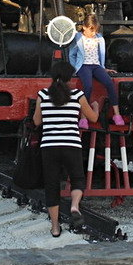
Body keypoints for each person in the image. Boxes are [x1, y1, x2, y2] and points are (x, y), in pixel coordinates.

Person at [32, 60, 99, 237]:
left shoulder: (43, 95)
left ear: (53, 77)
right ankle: (74, 206)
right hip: (71, 144)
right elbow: (92, 118)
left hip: (49, 146)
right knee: (77, 179)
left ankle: (55, 228)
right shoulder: (78, 95)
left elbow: (37, 122)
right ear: (70, 78)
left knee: (51, 185)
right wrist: (96, 107)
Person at [67, 14, 125, 129]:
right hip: (83, 66)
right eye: (91, 30)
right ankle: (83, 116)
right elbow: (71, 54)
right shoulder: (78, 37)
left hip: (96, 66)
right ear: (84, 27)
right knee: (88, 86)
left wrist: (103, 67)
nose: (93, 33)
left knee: (109, 83)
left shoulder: (99, 38)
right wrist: (75, 68)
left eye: (95, 30)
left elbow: (100, 55)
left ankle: (117, 115)